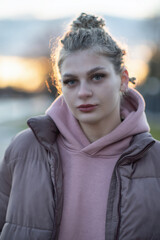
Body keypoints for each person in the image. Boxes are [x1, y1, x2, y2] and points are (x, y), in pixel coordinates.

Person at [0, 12, 160, 240]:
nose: (83, 93)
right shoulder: (23, 150)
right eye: (71, 81)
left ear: (123, 79)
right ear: (60, 85)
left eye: (97, 77)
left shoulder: (156, 161)